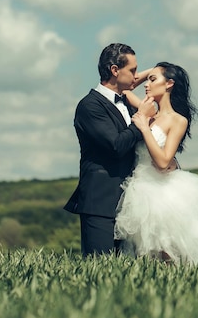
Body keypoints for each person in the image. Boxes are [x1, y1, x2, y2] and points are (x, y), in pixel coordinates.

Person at [114, 62, 198, 270]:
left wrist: (144, 128)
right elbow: (123, 87)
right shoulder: (147, 112)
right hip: (138, 190)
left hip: (162, 193)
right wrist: (153, 70)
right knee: (145, 259)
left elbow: (163, 162)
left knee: (170, 255)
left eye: (152, 80)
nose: (146, 85)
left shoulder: (177, 120)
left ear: (169, 84)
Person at [64, 43, 155, 257]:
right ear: (115, 70)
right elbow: (116, 145)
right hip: (100, 204)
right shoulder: (89, 106)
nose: (136, 76)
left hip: (131, 204)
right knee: (100, 269)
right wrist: (142, 119)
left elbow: (130, 83)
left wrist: (154, 72)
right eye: (132, 70)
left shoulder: (127, 101)